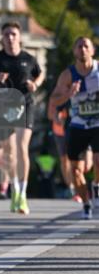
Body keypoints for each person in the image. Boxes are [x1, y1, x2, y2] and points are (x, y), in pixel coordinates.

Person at [0, 22, 44, 215]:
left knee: (21, 147)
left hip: (25, 106)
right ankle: (15, 188)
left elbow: (40, 74)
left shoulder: (28, 59)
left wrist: (34, 84)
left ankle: (23, 194)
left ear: (19, 36)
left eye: (13, 34)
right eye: (6, 35)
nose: (10, 37)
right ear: (2, 38)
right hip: (3, 109)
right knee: (9, 153)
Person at [48, 36, 99, 219]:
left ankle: (96, 187)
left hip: (97, 123)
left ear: (92, 50)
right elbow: (54, 100)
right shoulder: (67, 75)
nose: (82, 49)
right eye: (79, 46)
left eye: (86, 46)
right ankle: (86, 204)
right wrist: (69, 94)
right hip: (77, 125)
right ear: (74, 51)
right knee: (76, 170)